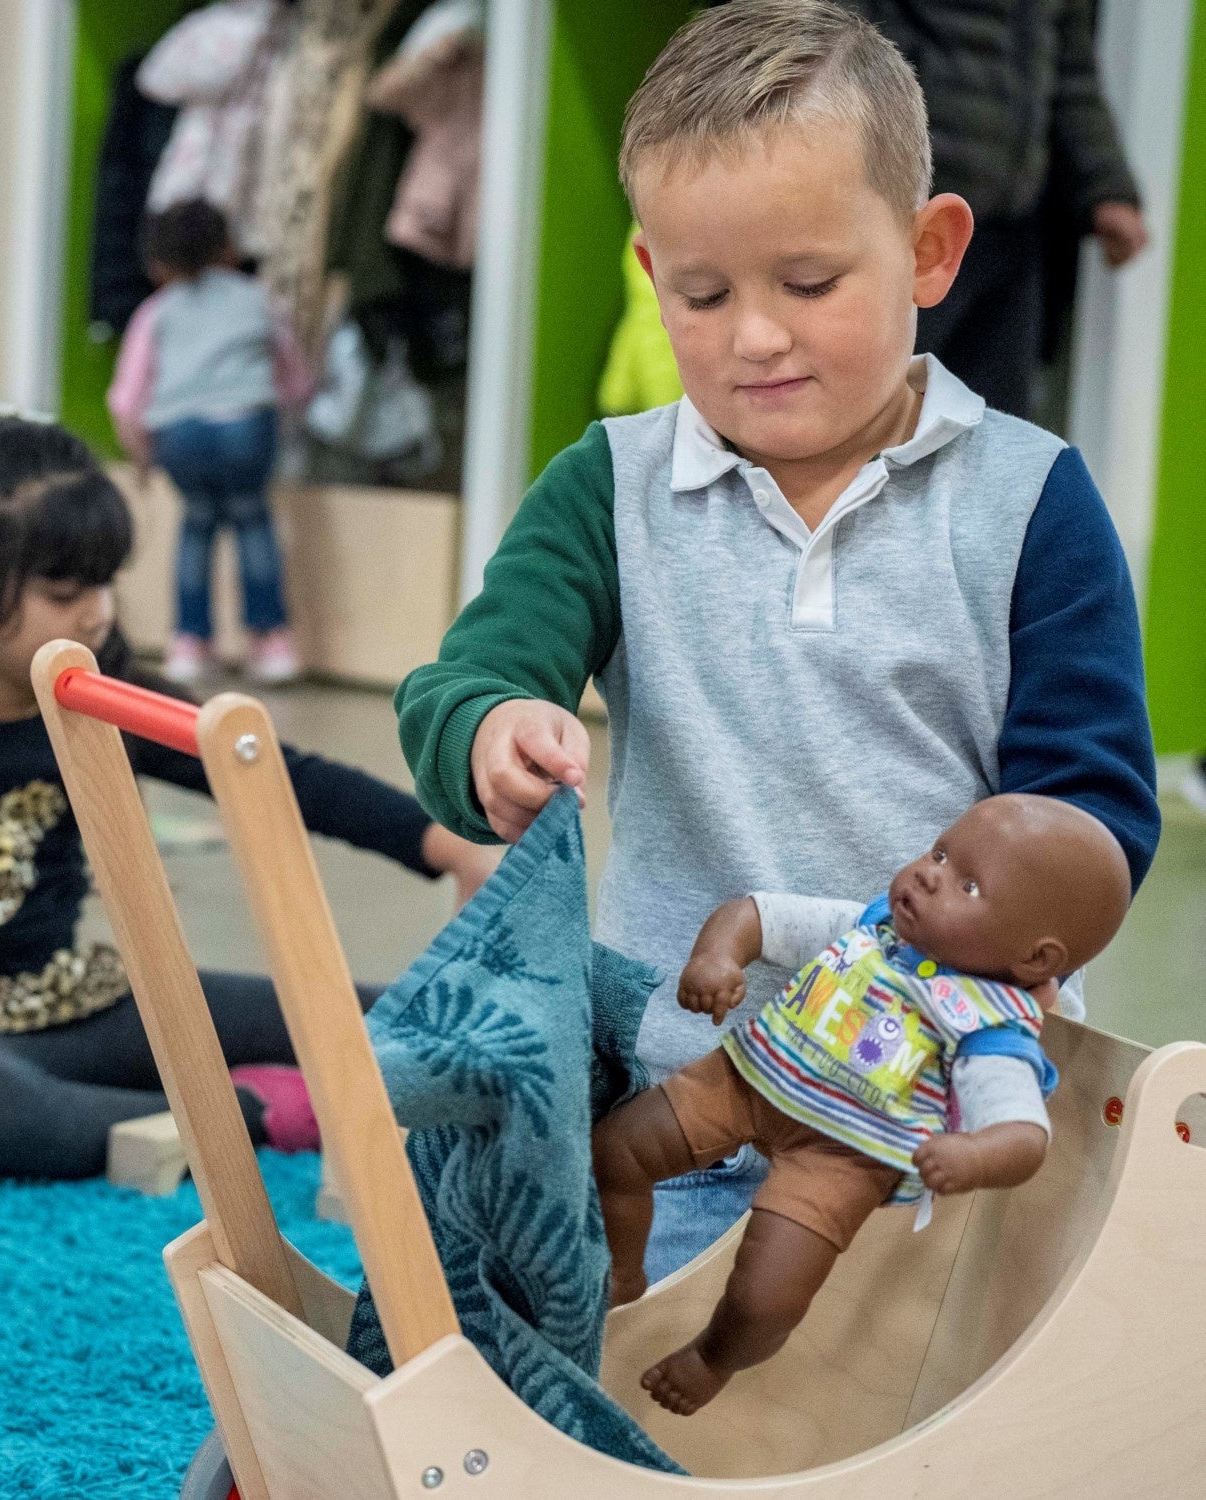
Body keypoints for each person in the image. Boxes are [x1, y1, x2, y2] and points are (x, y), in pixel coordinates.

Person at [395, 0, 1158, 1285]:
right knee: (555, 1329)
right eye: (703, 293)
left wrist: (929, 974)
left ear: (930, 249)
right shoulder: (612, 485)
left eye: (809, 284)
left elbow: (1095, 813)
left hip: (936, 1132)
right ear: (652, 276)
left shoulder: (1034, 499)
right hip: (680, 1105)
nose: (755, 335)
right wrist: (487, 729)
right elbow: (467, 677)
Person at [0, 415, 496, 1180]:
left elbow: (263, 767)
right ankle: (263, 1110)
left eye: (104, 584)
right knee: (2, 1113)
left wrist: (436, 840)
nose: (97, 612)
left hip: (71, 996)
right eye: (63, 590)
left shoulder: (99, 694)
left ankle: (218, 1097)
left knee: (377, 1015)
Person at [593, 794, 1131, 1414]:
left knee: (767, 1297)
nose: (930, 874)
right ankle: (621, 1269)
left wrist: (974, 1154)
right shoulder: (872, 925)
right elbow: (757, 915)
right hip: (745, 1080)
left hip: (843, 1156)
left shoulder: (991, 1029)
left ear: (1037, 958)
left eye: (969, 885)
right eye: (939, 851)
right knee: (615, 1150)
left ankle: (715, 1356)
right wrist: (718, 955)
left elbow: (1023, 1133)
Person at [832, 0, 1148, 419]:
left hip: (1012, 227)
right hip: (909, 221)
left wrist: (1108, 188)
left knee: (993, 422)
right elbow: (844, 45)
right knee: (871, 411)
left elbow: (1072, 78)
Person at [107, 198, 313, 687]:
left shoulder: (157, 312)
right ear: (227, 248)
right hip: (247, 424)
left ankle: (189, 642)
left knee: (197, 524)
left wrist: (139, 451)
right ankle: (270, 642)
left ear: (159, 263)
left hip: (180, 432)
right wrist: (284, 415)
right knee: (252, 520)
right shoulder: (254, 298)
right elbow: (294, 373)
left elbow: (128, 395)